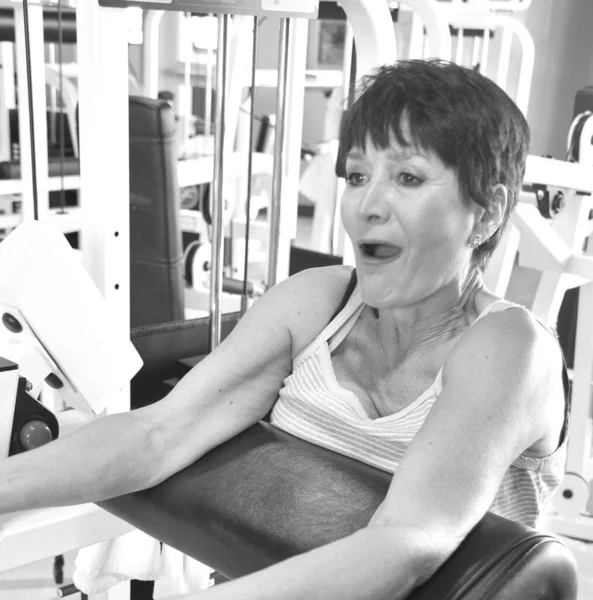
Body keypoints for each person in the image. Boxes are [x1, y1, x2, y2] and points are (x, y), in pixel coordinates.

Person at [1, 60, 569, 600]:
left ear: (488, 213)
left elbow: (405, 545)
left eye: (408, 178)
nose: (367, 205)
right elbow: (156, 434)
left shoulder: (510, 350)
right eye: (356, 175)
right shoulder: (316, 303)